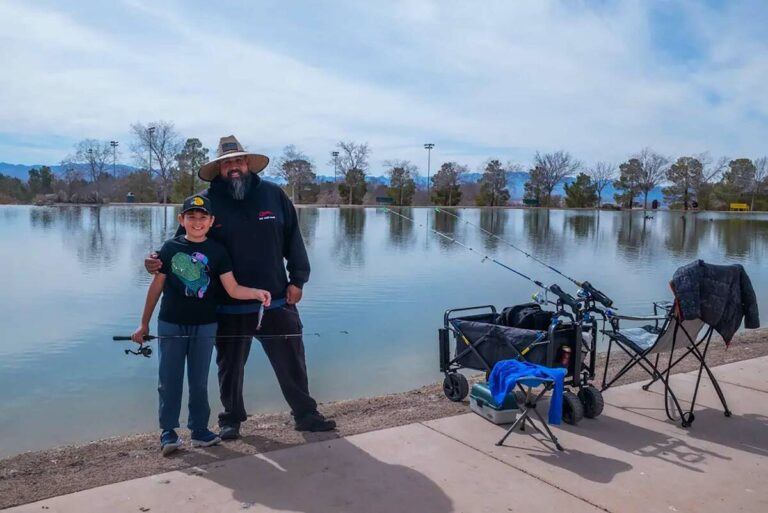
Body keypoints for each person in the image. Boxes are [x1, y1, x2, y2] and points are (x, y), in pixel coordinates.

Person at [145, 135, 335, 439]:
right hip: (226, 305)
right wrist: (157, 261)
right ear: (219, 169)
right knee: (229, 368)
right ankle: (231, 418)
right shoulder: (206, 203)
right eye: (226, 163)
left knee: (292, 361)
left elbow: (293, 240)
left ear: (248, 164)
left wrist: (298, 279)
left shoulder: (274, 196)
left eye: (238, 160)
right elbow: (182, 247)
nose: (233, 167)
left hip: (275, 301)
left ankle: (305, 414)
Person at [133, 194, 272, 455]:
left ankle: (199, 430)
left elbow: (232, 288)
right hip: (170, 324)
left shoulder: (218, 252)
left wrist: (256, 292)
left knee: (198, 380)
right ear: (181, 220)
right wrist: (143, 324)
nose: (197, 222)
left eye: (202, 218)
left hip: (206, 325)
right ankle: (168, 432)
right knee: (168, 379)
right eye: (191, 217)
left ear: (211, 221)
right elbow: (156, 288)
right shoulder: (170, 248)